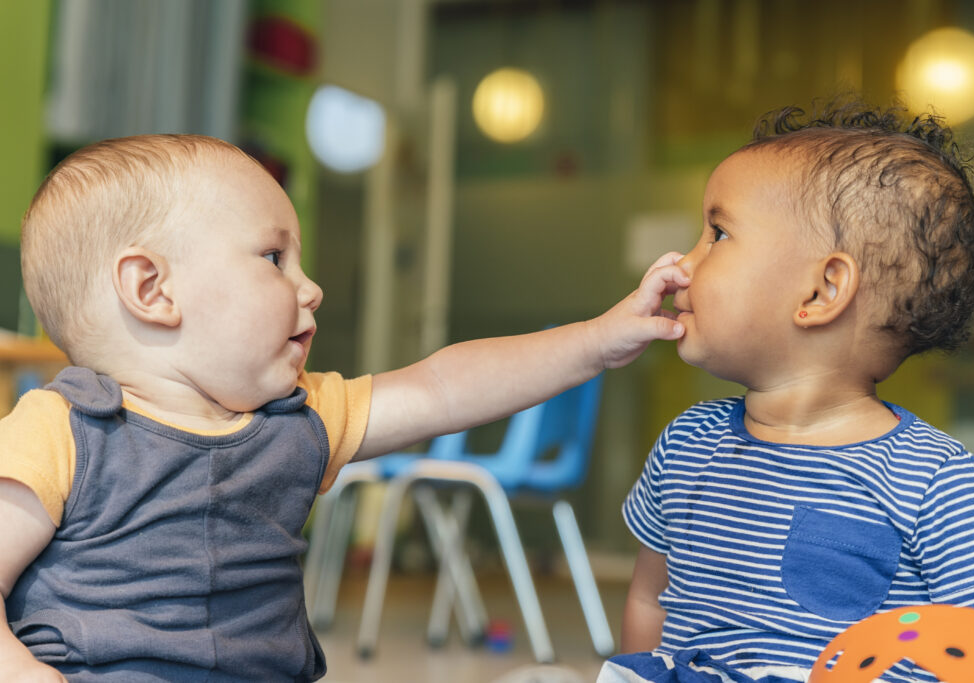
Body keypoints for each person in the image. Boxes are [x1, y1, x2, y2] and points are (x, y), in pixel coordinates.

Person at [0, 134, 690, 682]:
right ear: (151, 288)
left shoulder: (302, 418)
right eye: (274, 257)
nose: (313, 287)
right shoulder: (63, 432)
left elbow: (444, 388)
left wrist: (597, 340)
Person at [602, 98, 974, 683]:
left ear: (822, 291)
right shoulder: (687, 445)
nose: (679, 263)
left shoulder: (938, 481)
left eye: (717, 234)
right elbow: (650, 601)